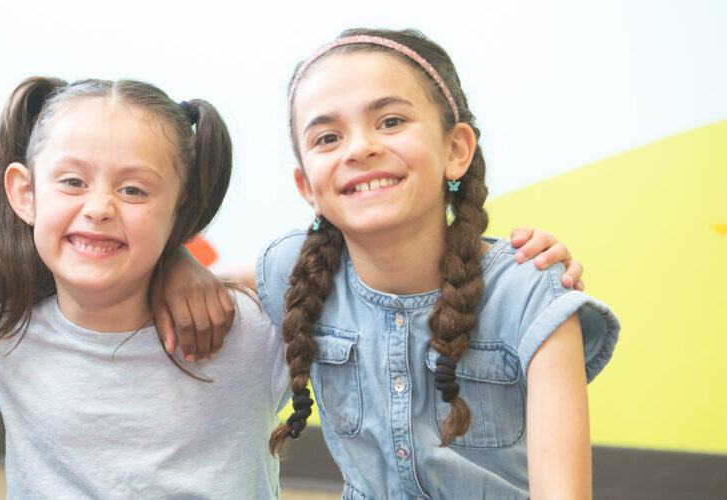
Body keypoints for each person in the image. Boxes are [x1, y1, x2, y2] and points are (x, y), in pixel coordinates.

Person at [261, 29, 620, 499]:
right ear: (307, 187)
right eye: (328, 137)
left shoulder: (531, 293)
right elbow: (191, 287)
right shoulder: (293, 268)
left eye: (390, 121)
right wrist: (185, 275)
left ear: (456, 151)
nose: (358, 148)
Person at [0, 76, 289, 498]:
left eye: (133, 190)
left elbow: (343, 261)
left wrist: (182, 258)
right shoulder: (2, 334)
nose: (99, 208)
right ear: (25, 193)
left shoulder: (246, 334)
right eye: (72, 182)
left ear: (182, 207)